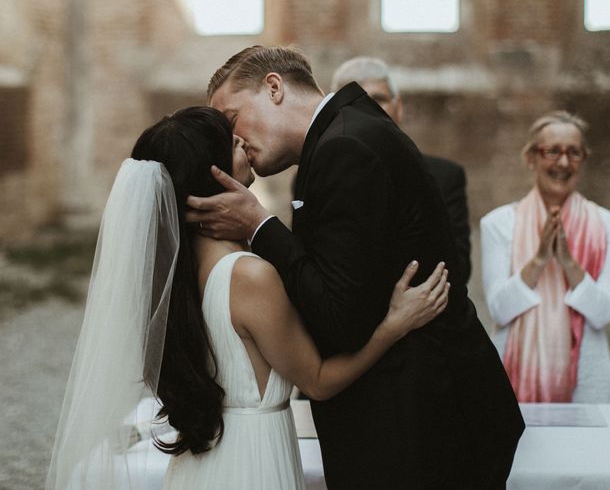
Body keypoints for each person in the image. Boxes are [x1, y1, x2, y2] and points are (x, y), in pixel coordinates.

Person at [47, 107, 450, 490]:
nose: (242, 140)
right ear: (212, 174)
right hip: (252, 461)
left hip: (202, 462)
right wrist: (393, 326)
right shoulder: (250, 275)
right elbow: (319, 380)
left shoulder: (176, 274)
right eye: (230, 140)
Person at [187, 45, 524, 490]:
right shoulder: (342, 135)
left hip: (419, 426)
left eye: (232, 120)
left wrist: (259, 226)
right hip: (417, 416)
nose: (236, 140)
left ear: (274, 88)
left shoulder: (343, 148)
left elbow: (339, 320)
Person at [480, 110, 610, 403]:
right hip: (513, 377)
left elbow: (602, 313)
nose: (564, 162)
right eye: (552, 151)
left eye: (574, 152)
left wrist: (569, 263)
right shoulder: (498, 223)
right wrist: (540, 259)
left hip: (586, 378)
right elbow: (499, 310)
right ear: (530, 158)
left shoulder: (606, 224)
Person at [330, 56, 472, 286]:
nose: (370, 109)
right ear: (337, 112)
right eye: (356, 102)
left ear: (399, 107)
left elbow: (457, 268)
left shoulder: (445, 177)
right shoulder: (319, 177)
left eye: (379, 99)